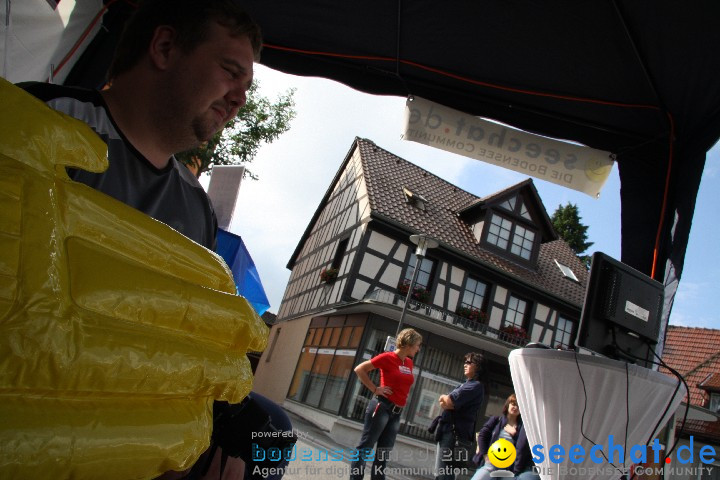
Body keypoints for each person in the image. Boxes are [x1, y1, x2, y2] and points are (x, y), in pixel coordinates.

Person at [19, 1, 290, 479]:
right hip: (35, 415)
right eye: (230, 72)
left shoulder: (196, 207)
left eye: (247, 88)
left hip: (137, 426)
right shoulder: (42, 124)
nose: (239, 99)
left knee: (271, 433)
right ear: (164, 47)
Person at [350, 328, 423, 480]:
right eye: (417, 345)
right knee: (365, 448)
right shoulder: (387, 357)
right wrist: (375, 389)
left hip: (397, 413)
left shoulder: (409, 362)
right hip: (382, 407)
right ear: (408, 344)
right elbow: (360, 369)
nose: (418, 348)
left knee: (383, 453)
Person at [434, 352, 485, 480]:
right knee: (442, 473)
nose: (465, 365)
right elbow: (446, 403)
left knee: (444, 474)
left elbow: (448, 401)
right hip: (448, 432)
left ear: (478, 366)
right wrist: (446, 401)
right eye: (465, 362)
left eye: (469, 362)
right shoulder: (466, 384)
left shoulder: (475, 386)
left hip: (454, 436)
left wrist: (445, 399)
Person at [471, 393, 535, 480]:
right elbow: (482, 436)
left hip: (508, 468)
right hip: (492, 463)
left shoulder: (521, 428)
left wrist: (515, 434)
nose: (515, 407)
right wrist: (485, 455)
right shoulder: (496, 420)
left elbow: (522, 448)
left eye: (519, 406)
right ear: (508, 404)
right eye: (513, 404)